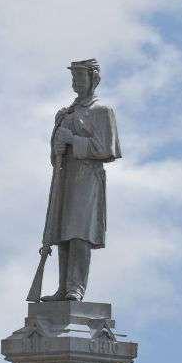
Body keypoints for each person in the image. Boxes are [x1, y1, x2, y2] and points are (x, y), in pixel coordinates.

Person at [39, 57, 119, 301]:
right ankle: (62, 287)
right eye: (73, 78)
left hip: (88, 177)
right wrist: (57, 144)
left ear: (93, 79)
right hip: (66, 176)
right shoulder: (65, 113)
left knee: (79, 232)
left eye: (80, 77)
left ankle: (76, 286)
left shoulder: (102, 112)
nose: (75, 82)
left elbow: (106, 149)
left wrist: (73, 140)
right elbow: (55, 152)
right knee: (61, 232)